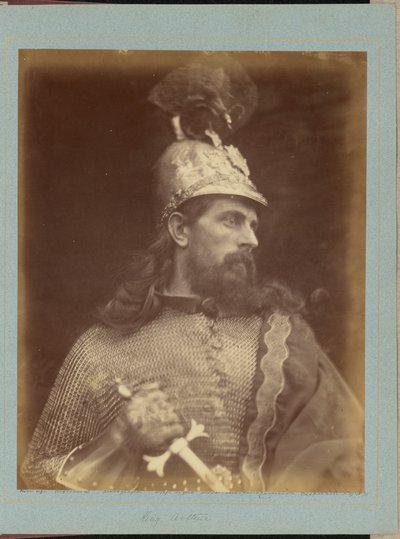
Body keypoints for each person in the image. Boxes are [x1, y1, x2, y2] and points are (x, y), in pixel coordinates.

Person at [21, 62, 363, 493]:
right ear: (181, 230)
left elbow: (348, 467)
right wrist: (118, 440)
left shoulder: (284, 340)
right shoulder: (100, 351)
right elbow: (36, 479)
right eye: (232, 220)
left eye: (253, 224)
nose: (251, 239)